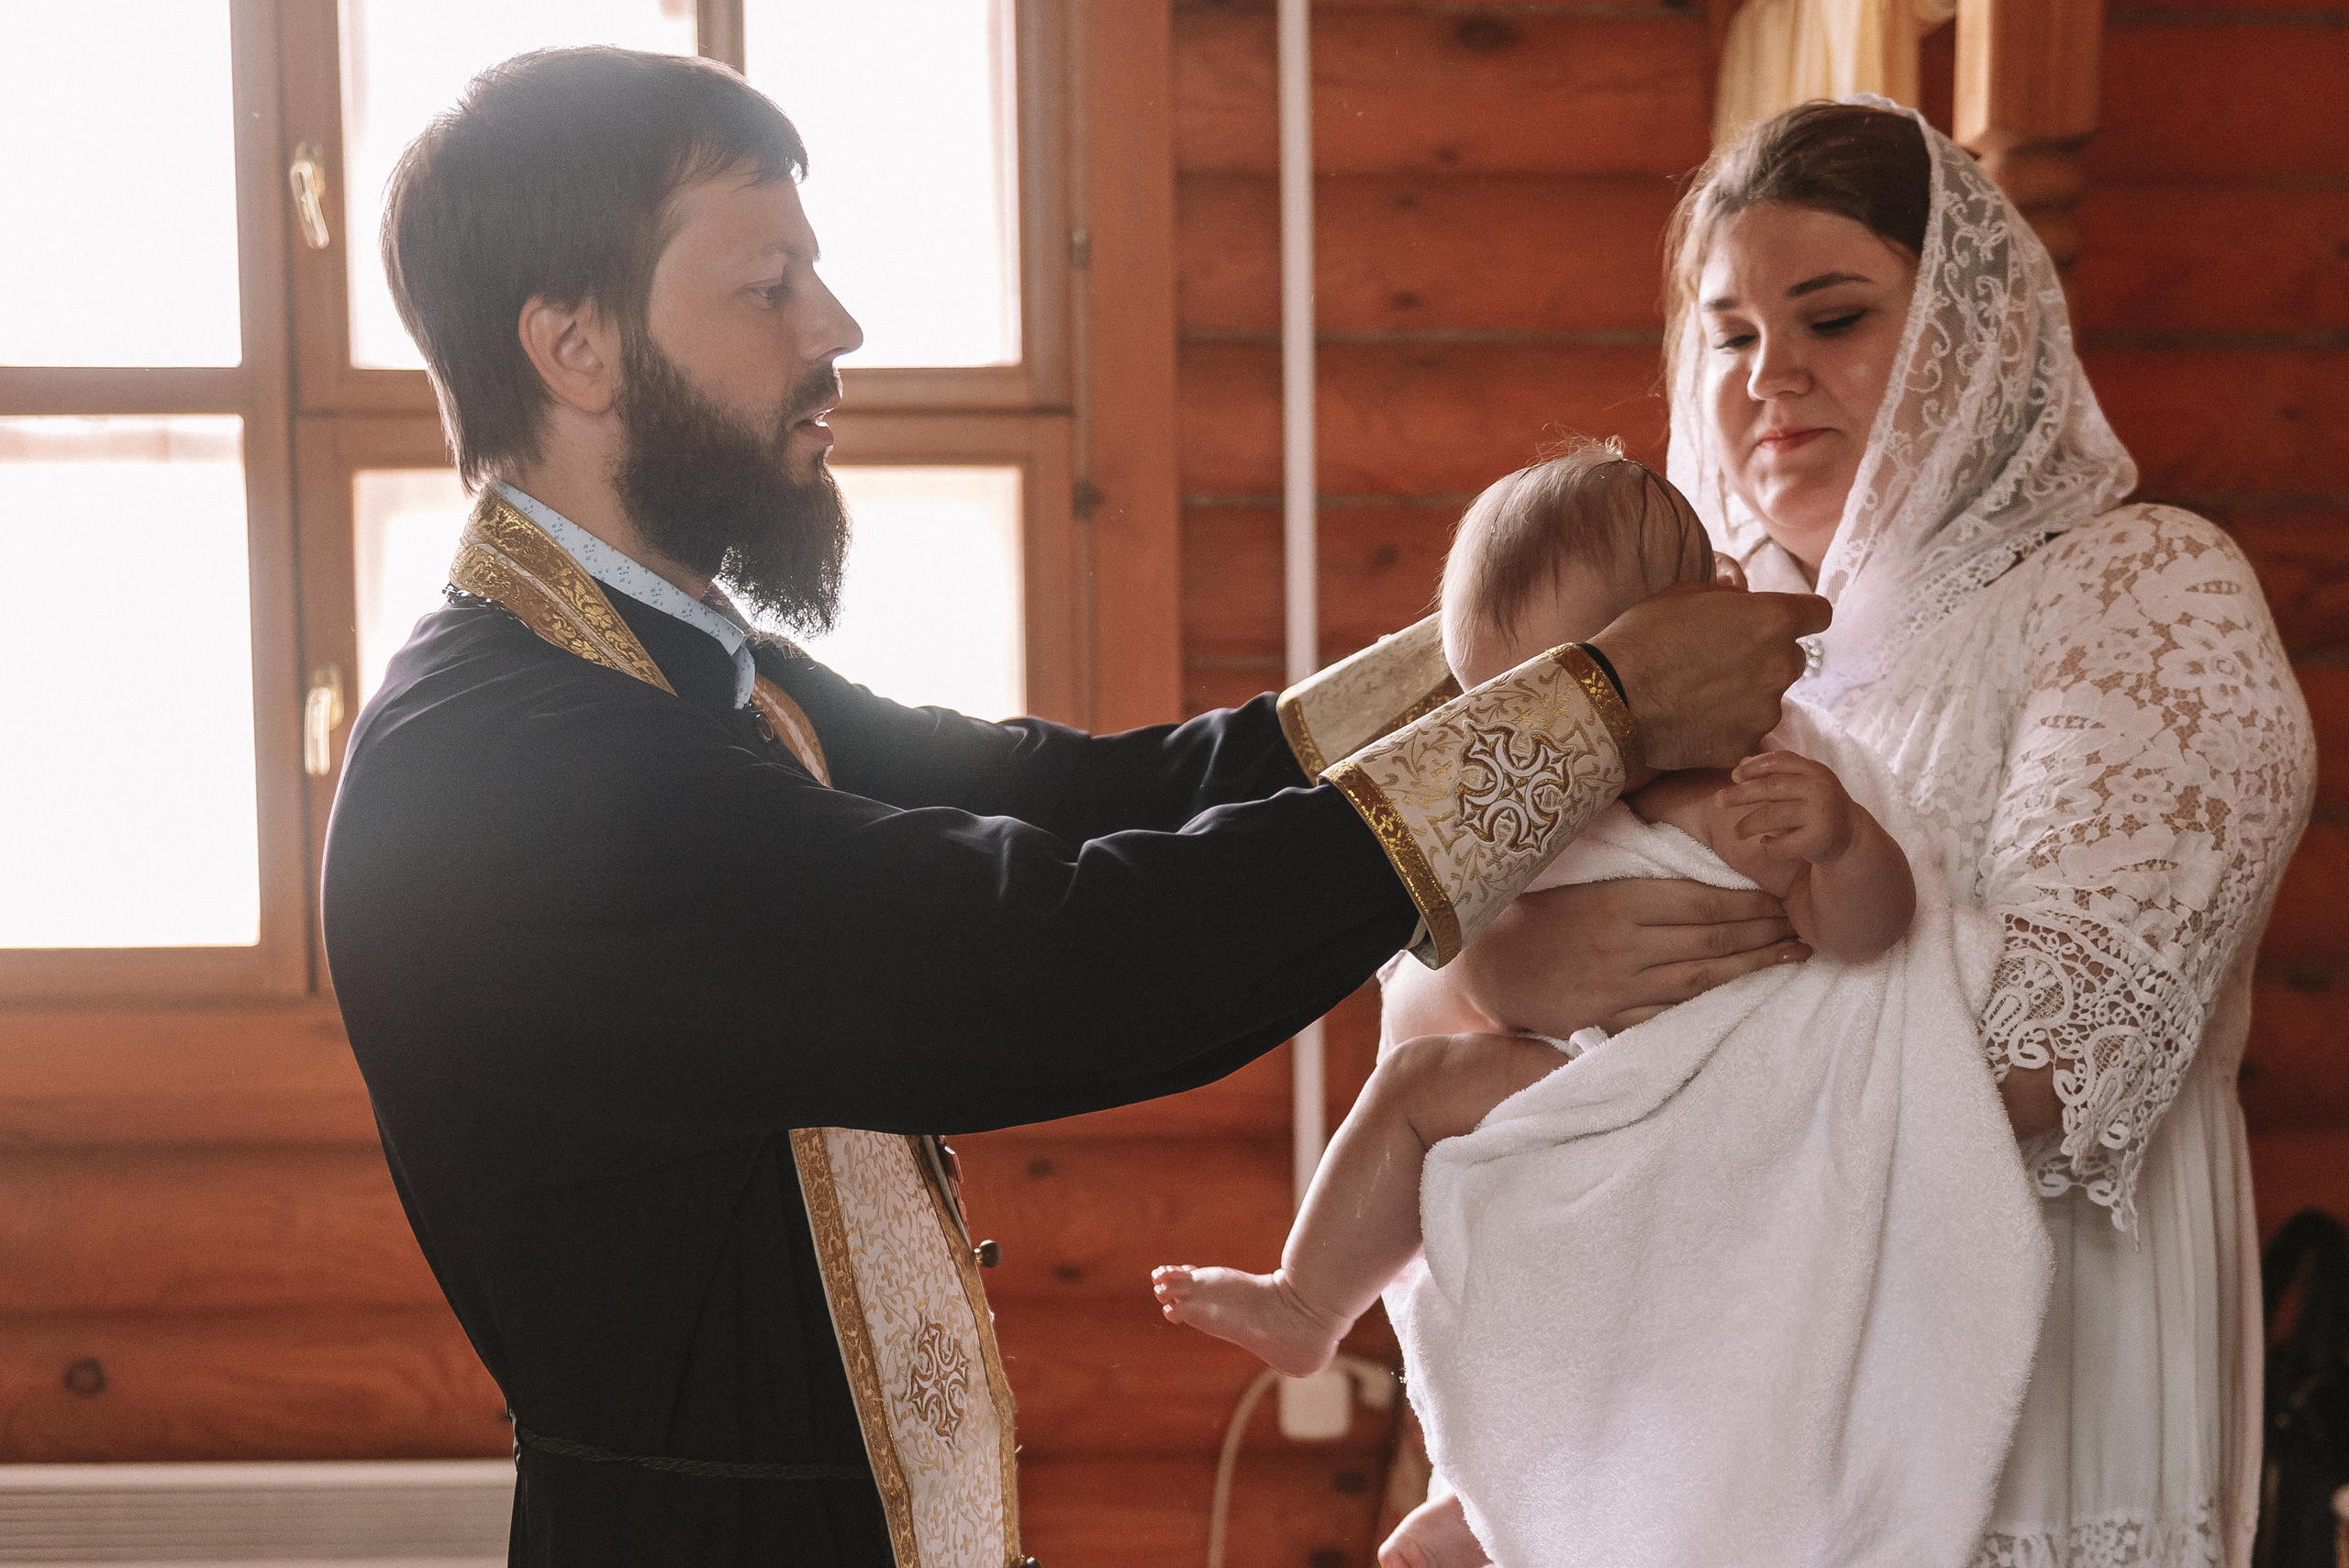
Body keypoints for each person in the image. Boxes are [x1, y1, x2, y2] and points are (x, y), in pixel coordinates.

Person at [319, 46, 1829, 1567]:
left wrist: (1511, 642)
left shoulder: (691, 671)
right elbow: (1069, 956)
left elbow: (1078, 794)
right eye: (769, 286)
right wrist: (1591, 708)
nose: (836, 327)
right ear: (573, 347)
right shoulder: (511, 770)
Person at [1378, 100, 2314, 1568]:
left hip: (2030, 1358)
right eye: (1733, 332)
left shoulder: (2146, 591)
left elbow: (2050, 1048)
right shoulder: (1672, 639)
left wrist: (1628, 1003)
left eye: (1835, 315)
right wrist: (1511, 957)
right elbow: (1434, 973)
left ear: (1969, 333)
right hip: (1707, 1400)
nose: (1774, 377)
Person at [1150, 443, 1915, 1379]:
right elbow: (1429, 972)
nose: (1551, 753)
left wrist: (1841, 845)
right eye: (1501, 708)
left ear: (1701, 632)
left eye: (1586, 706)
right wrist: (1491, 963)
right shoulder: (1507, 806)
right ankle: (1315, 1306)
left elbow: (1870, 936)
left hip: (1705, 1110)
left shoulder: (1742, 791)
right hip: (1585, 1082)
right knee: (1419, 1088)